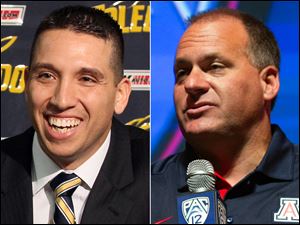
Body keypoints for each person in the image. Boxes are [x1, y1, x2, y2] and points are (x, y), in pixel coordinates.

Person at [1, 5, 149, 224]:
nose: (62, 100)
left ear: (120, 95)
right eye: (47, 75)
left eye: (87, 79)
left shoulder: (158, 173)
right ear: (26, 83)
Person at [151, 8, 299, 224]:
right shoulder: (145, 191)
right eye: (182, 72)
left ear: (268, 83)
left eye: (214, 67)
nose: (192, 84)